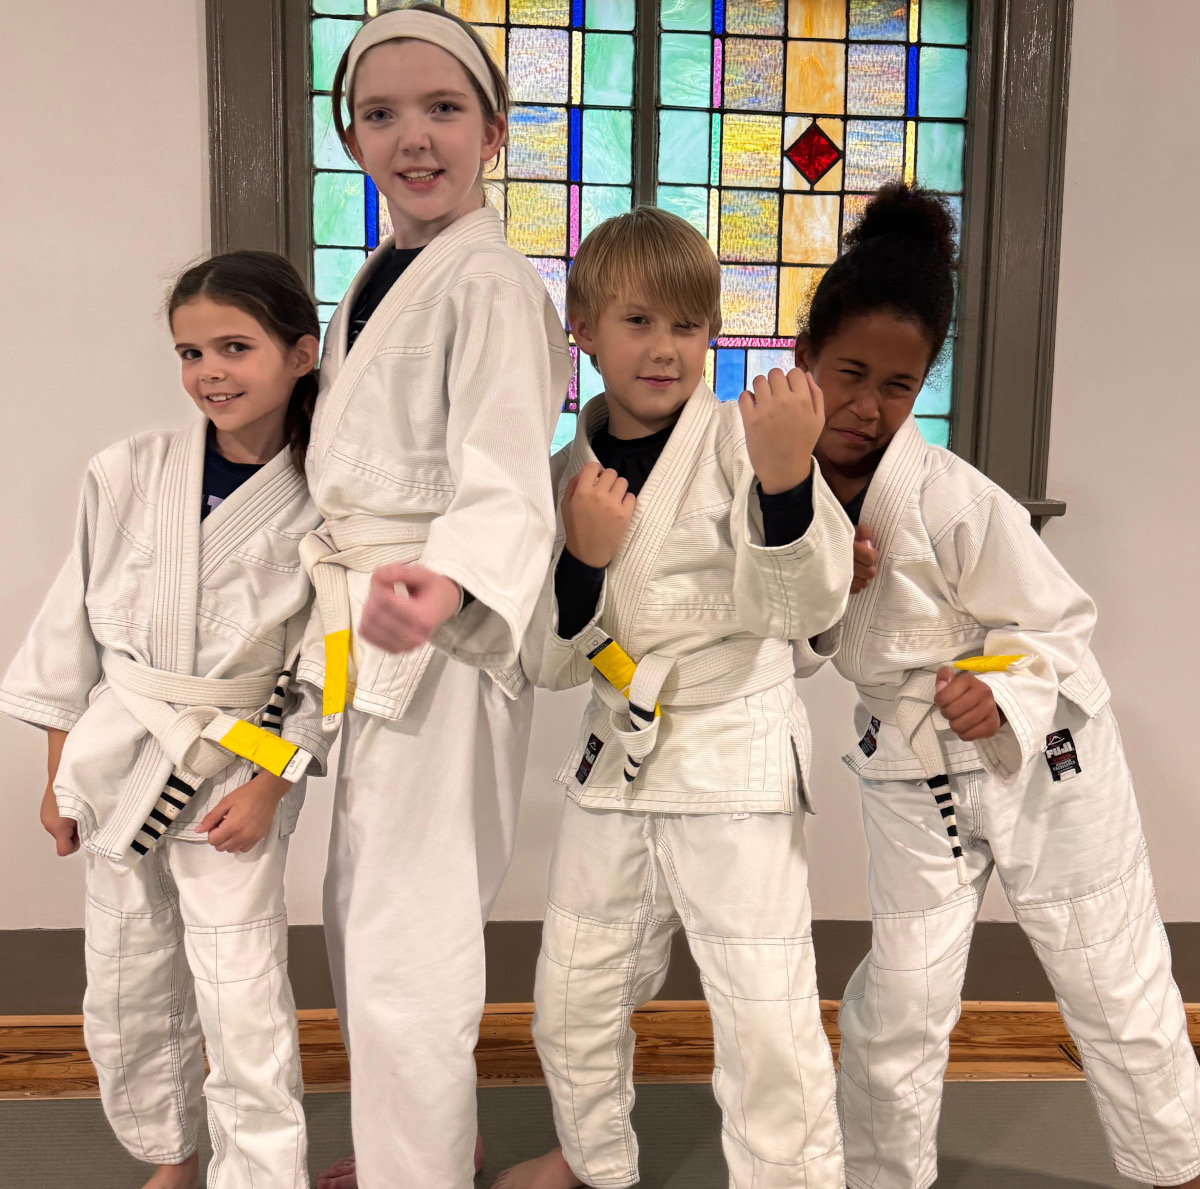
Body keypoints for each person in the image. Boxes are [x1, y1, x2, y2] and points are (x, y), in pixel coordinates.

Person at [792, 181, 1200, 1189]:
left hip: (1046, 759)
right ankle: (884, 1175)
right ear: (802, 357)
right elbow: (790, 649)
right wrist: (813, 589)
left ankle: (1177, 1167)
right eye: (848, 372)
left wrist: (1001, 687)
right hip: (910, 771)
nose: (867, 404)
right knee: (902, 992)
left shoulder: (953, 498)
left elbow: (1061, 626)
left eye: (899, 382)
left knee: (1110, 974)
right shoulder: (780, 492)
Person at [495, 206, 853, 1189]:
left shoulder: (748, 438)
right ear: (583, 328)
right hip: (618, 753)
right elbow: (549, 662)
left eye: (689, 327)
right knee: (569, 996)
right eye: (639, 321)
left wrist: (786, 478)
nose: (666, 348)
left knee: (765, 1013)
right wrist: (582, 559)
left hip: (732, 749)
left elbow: (802, 611)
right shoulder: (567, 473)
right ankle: (593, 1161)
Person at [299, 6, 572, 1188]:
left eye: (444, 109)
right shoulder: (374, 283)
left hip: (440, 627)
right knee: (360, 907)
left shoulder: (492, 282)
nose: (415, 138)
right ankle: (420, 1148)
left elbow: (510, 468)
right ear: (351, 137)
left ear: (495, 133)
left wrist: (447, 575)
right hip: (368, 621)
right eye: (383, 114)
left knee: (410, 930)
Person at [0, 250, 329, 1189]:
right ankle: (171, 1156)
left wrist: (271, 782)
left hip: (234, 759)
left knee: (241, 991)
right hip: (115, 756)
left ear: (301, 353)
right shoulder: (126, 470)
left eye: (236, 346)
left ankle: (260, 1175)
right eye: (190, 353)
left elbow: (328, 658)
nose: (210, 373)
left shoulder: (327, 495)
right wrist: (58, 778)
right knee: (126, 978)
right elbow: (73, 632)